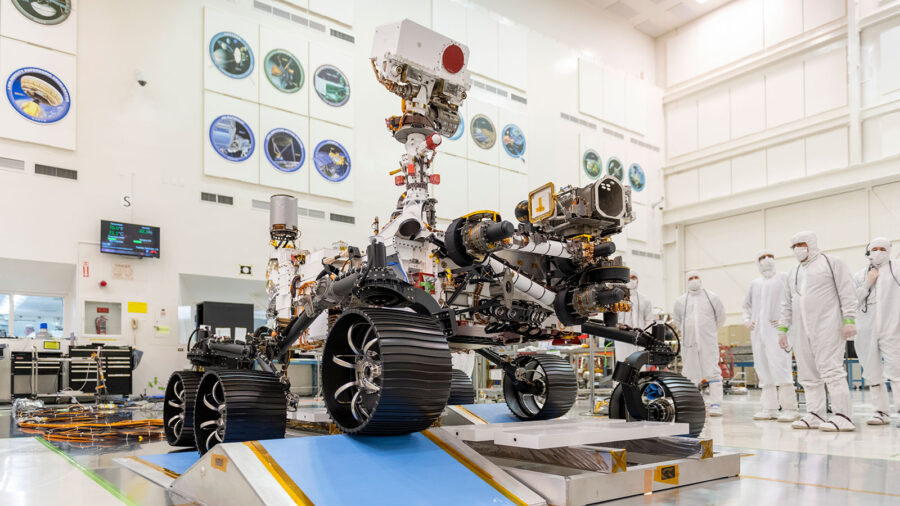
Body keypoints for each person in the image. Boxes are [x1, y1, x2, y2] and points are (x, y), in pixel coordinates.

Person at [778, 231, 858, 432]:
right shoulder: (793, 272)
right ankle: (815, 413)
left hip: (828, 326)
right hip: (801, 329)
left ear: (812, 243)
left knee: (831, 370)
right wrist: (782, 329)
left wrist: (849, 319)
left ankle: (843, 416)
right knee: (807, 373)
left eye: (801, 244)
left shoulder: (831, 263)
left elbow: (847, 291)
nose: (798, 248)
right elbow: (786, 303)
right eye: (794, 245)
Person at [742, 250, 799, 422]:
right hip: (758, 332)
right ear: (757, 262)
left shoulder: (783, 278)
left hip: (778, 331)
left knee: (781, 367)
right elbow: (746, 305)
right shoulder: (755, 283)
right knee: (763, 368)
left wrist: (785, 321)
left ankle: (790, 408)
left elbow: (792, 300)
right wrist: (747, 320)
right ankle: (769, 408)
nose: (767, 260)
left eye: (770, 256)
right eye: (762, 257)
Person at [852, 237, 900, 425]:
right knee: (871, 371)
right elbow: (852, 301)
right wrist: (867, 284)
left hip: (892, 327)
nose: (878, 252)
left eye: (882, 248)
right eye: (875, 249)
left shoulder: (896, 269)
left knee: (897, 369)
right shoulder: (859, 275)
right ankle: (880, 412)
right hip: (865, 328)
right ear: (868, 252)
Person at [673, 271, 727, 417]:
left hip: (707, 341)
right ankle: (693, 403)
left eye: (696, 278)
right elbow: (677, 320)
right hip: (689, 343)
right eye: (691, 278)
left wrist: (709, 331)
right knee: (690, 373)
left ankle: (716, 403)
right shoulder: (681, 301)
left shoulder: (712, 297)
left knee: (712, 370)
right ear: (687, 281)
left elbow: (721, 317)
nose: (694, 280)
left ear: (701, 280)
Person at [616, 270, 654, 362]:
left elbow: (649, 320)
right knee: (622, 365)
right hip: (621, 339)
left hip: (640, 341)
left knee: (639, 365)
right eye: (629, 278)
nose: (631, 280)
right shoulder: (617, 299)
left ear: (638, 281)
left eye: (634, 278)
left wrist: (645, 335)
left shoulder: (645, 300)